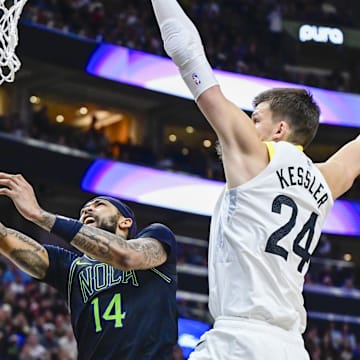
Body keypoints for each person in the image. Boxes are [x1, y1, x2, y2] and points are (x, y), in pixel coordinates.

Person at [149, 1, 360, 359]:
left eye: (256, 118)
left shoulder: (256, 155)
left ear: (279, 129)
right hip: (292, 347)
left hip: (239, 341)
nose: (249, 125)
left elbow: (187, 54)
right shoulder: (325, 181)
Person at [0, 172, 178, 360]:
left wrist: (40, 215)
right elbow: (6, 240)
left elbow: (127, 256)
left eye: (99, 205)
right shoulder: (70, 267)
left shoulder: (156, 237)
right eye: (83, 210)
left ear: (125, 222)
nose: (87, 210)